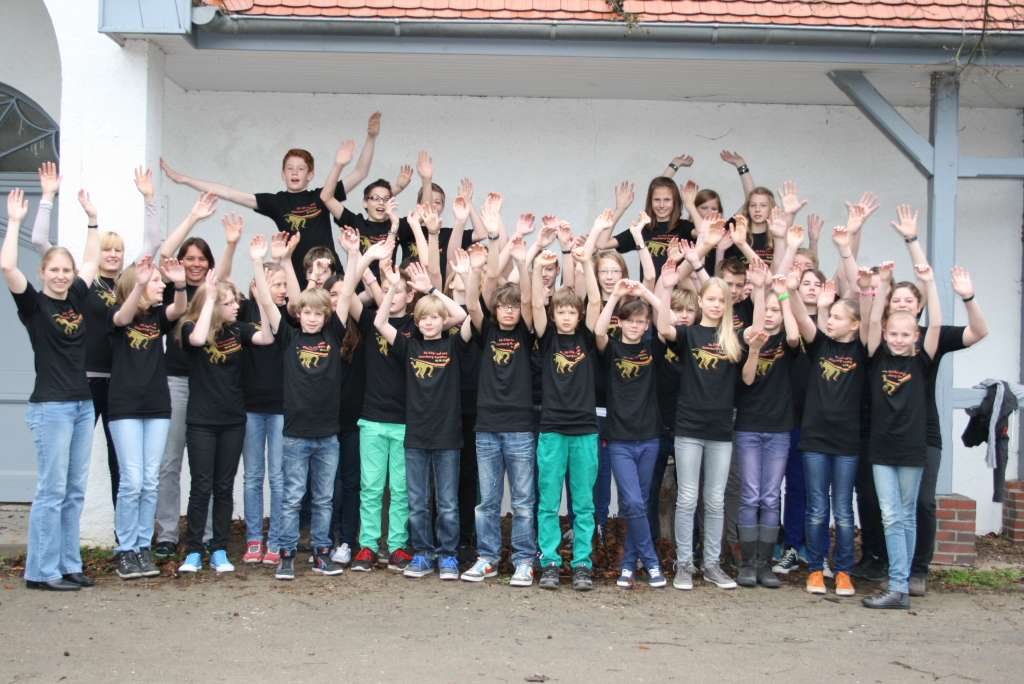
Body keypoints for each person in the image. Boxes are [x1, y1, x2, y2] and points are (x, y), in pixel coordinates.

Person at [31, 164, 162, 513]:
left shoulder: (129, 283)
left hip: (119, 384)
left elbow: (153, 243)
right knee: (69, 466)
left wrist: (149, 198)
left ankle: (124, 537)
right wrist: (47, 198)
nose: (113, 255)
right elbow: (40, 243)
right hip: (84, 383)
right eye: (107, 250)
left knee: (122, 463)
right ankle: (65, 534)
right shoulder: (81, 284)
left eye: (118, 250)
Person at [878, 205, 989, 597]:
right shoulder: (885, 342)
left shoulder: (929, 341)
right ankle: (892, 569)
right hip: (886, 433)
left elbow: (979, 331)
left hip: (923, 434)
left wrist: (914, 244)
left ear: (920, 306)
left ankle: (916, 571)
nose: (903, 305)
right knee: (887, 508)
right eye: (897, 301)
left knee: (921, 504)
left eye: (910, 301)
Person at [3, 188, 99, 591]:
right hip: (51, 407)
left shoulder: (75, 297)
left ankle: (68, 563)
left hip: (81, 405)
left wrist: (92, 220)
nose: (61, 275)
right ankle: (41, 572)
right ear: (43, 273)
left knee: (74, 491)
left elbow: (91, 261)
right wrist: (15, 222)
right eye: (54, 270)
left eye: (66, 270)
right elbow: (7, 265)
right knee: (52, 490)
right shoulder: (34, 305)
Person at [160, 112, 376, 288]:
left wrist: (371, 137)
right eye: (290, 168)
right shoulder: (276, 202)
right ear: (283, 174)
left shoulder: (322, 196)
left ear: (310, 174)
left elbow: (361, 172)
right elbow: (229, 192)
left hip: (329, 273)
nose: (295, 172)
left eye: (301, 168)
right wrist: (183, 179)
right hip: (296, 277)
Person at [175, 251, 278, 574]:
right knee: (201, 487)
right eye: (230, 302)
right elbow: (197, 338)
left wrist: (261, 302)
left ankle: (219, 549)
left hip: (233, 420)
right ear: (214, 304)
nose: (236, 306)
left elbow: (267, 337)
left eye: (236, 301)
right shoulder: (191, 327)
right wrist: (209, 298)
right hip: (201, 422)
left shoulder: (238, 330)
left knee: (223, 487)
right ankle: (194, 551)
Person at [274, 228, 367, 580]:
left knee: (324, 499)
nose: (312, 318)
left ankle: (321, 553)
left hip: (328, 436)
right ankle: (286, 555)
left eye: (318, 313)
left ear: (326, 315)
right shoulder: (289, 337)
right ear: (298, 314)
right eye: (306, 313)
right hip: (296, 435)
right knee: (292, 497)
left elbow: (345, 296)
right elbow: (270, 304)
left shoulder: (333, 333)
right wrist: (261, 262)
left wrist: (353, 255)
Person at [786, 233, 872, 597]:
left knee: (844, 511)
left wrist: (865, 287)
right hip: (815, 440)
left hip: (847, 441)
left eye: (838, 317)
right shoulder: (820, 344)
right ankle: (816, 570)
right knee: (817, 509)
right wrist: (791, 289)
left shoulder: (864, 351)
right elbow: (801, 318)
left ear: (854, 324)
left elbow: (871, 317)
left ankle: (844, 571)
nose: (831, 320)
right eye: (830, 316)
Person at [375, 259, 469, 580]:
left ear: (443, 321)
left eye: (435, 318)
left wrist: (431, 290)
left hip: (448, 436)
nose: (429, 323)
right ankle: (423, 554)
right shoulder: (408, 346)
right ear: (416, 322)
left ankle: (448, 556)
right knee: (418, 502)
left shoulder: (454, 344)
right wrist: (391, 287)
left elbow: (463, 316)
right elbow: (379, 322)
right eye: (423, 318)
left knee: (448, 504)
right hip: (415, 436)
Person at [657, 261, 746, 591]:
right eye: (710, 299)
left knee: (715, 500)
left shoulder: (733, 338)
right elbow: (664, 327)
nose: (716, 305)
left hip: (720, 431)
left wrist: (767, 289)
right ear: (700, 301)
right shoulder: (689, 334)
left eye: (722, 300)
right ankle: (684, 565)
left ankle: (712, 565)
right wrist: (667, 287)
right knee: (687, 499)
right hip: (689, 429)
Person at [458, 233, 537, 586]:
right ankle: (488, 558)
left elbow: (531, 301)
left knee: (523, 501)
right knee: (487, 501)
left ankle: (524, 560)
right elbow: (473, 305)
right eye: (503, 306)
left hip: (520, 427)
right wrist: (475, 270)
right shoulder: (486, 330)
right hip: (487, 428)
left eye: (513, 307)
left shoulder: (527, 334)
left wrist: (522, 262)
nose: (508, 311)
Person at [861, 260, 941, 609]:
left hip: (911, 449)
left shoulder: (922, 362)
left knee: (905, 516)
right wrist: (881, 284)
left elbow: (936, 323)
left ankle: (900, 586)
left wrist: (930, 283)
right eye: (893, 334)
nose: (898, 339)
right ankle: (899, 587)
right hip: (881, 449)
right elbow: (870, 321)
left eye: (905, 335)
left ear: (916, 337)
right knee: (891, 515)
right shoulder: (877, 356)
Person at [107, 255, 188, 579]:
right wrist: (140, 284)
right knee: (132, 481)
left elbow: (179, 308)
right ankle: (125, 550)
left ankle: (143, 548)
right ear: (137, 284)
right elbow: (123, 316)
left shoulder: (157, 316)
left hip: (157, 407)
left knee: (150, 481)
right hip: (125, 408)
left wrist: (179, 283)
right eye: (156, 281)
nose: (160, 286)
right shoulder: (117, 313)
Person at [218, 220, 292, 567]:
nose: (281, 290)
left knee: (277, 477)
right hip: (248, 407)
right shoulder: (241, 312)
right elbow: (221, 281)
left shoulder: (289, 316)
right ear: (257, 285)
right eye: (276, 284)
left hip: (279, 408)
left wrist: (281, 260)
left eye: (283, 284)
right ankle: (253, 541)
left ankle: (275, 541)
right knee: (252, 477)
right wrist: (252, 258)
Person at [531, 234, 602, 591]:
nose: (566, 316)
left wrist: (585, 261)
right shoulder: (547, 339)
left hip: (585, 430)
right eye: (561, 311)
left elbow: (597, 300)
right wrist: (538, 267)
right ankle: (550, 562)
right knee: (548, 503)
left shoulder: (587, 338)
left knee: (584, 505)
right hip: (553, 430)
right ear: (553, 314)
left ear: (579, 315)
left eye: (572, 312)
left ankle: (582, 563)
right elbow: (534, 303)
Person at [153, 193, 219, 559]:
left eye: (201, 259)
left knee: (204, 466)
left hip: (207, 386)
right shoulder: (169, 288)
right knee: (170, 463)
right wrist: (193, 217)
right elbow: (163, 254)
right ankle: (167, 533)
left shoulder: (215, 291)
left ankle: (204, 533)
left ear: (209, 264)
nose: (195, 264)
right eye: (189, 258)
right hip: (175, 382)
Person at [595, 280, 667, 589]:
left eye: (641, 321)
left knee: (641, 503)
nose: (635, 326)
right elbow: (598, 331)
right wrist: (614, 296)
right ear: (621, 323)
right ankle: (651, 562)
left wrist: (646, 294)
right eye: (630, 321)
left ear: (647, 325)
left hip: (650, 437)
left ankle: (627, 566)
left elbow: (669, 322)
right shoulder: (612, 348)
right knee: (634, 503)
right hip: (620, 439)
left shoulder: (652, 348)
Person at [734, 268, 800, 589]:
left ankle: (765, 564)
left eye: (777, 311)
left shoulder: (788, 343)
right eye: (767, 310)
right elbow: (747, 379)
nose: (771, 315)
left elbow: (794, 336)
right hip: (748, 427)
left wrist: (783, 294)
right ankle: (748, 563)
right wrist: (760, 290)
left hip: (779, 429)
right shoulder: (748, 339)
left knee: (771, 498)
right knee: (750, 496)